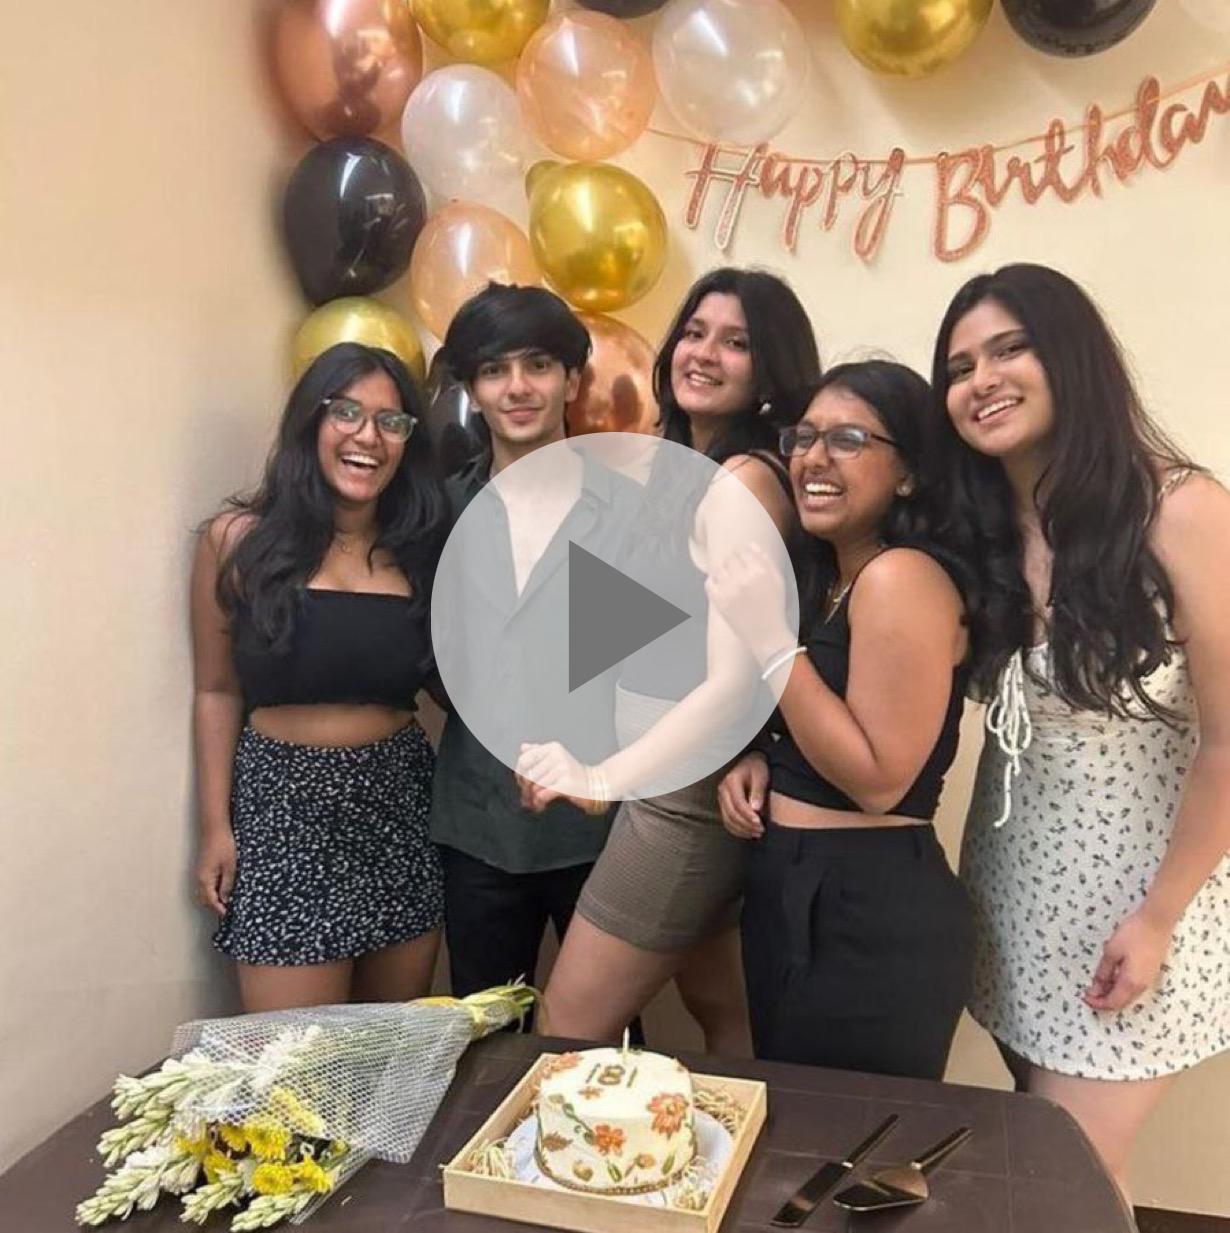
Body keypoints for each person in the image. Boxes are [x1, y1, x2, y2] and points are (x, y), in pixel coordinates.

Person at [931, 262, 1230, 1201]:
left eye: (1009, 349)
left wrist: (1157, 918)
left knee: (1068, 1182)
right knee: (1050, 1164)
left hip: (1136, 907)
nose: (982, 380)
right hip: (1012, 894)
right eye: (959, 366)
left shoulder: (1179, 509)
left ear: (1070, 356)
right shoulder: (982, 527)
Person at [517, 268, 821, 1054]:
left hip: (681, 802)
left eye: (737, 342)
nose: (705, 352)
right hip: (678, 780)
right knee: (725, 1010)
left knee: (566, 1024)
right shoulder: (689, 469)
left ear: (770, 370)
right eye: (694, 331)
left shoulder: (743, 481)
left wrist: (602, 776)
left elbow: (730, 683)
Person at [708, 361, 975, 1079]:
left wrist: (769, 638)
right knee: (797, 1118)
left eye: (848, 439)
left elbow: (877, 780)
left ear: (908, 473)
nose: (813, 458)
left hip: (866, 907)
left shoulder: (901, 576)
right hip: (793, 882)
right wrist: (763, 755)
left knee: (854, 1132)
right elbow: (821, 716)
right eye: (804, 437)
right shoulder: (834, 578)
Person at [191, 343, 450, 1012]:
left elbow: (467, 680)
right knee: (295, 1062)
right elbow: (216, 691)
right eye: (347, 412)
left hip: (399, 810)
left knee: (388, 1055)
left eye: (391, 422)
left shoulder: (422, 551)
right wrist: (216, 827)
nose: (369, 437)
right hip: (282, 812)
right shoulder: (236, 541)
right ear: (311, 420)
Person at [429, 283, 644, 1013]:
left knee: (610, 1039)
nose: (517, 387)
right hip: (477, 820)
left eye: (538, 365)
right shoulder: (442, 513)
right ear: (472, 391)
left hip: (602, 827)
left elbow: (657, 671)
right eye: (494, 370)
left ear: (572, 380)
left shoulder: (630, 512)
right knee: (485, 1034)